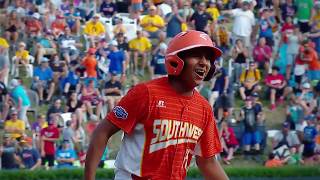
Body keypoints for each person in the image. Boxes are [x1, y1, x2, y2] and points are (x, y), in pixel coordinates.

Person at [85, 30, 228, 180]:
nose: (204, 63)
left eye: (208, 58)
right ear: (176, 59)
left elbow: (208, 162)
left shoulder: (204, 108)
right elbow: (102, 132)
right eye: (197, 55)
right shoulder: (145, 93)